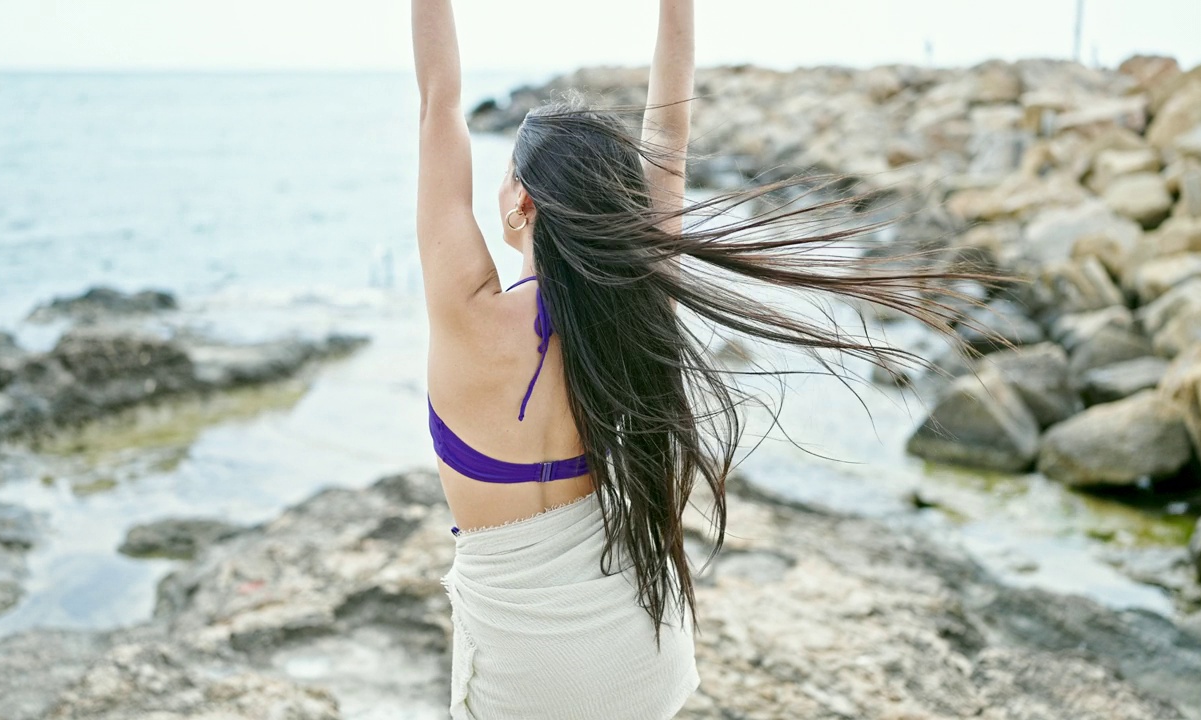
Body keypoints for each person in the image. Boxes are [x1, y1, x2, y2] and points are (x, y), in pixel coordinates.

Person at [413, 2, 981, 718]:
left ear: (521, 203)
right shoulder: (638, 297)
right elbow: (668, 138)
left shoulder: (467, 318)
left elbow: (441, 105)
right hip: (637, 645)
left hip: (525, 675)